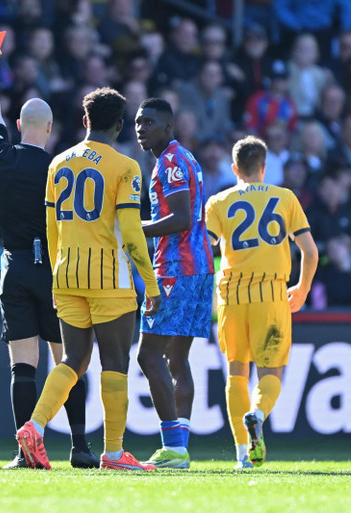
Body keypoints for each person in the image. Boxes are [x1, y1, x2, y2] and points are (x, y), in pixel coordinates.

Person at [15, 87, 161, 471]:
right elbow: (131, 234)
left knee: (72, 360)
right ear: (120, 125)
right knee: (114, 363)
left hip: (66, 273)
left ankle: (34, 425)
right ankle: (113, 453)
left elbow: (50, 229)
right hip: (109, 278)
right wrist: (152, 283)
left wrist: (56, 271)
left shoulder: (58, 163)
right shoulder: (126, 167)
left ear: (85, 121)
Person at [0, 48, 98, 469]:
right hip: (53, 270)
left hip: (12, 268)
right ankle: (80, 447)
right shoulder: (57, 169)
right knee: (67, 361)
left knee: (22, 367)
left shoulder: (1, 158)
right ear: (49, 129)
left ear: (18, 126)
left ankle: (23, 452)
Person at [205, 135, 318, 468]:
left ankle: (243, 455)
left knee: (236, 373)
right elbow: (309, 251)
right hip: (271, 294)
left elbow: (203, 249)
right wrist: (302, 288)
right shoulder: (284, 198)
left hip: (231, 294)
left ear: (234, 168)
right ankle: (257, 414)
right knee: (272, 372)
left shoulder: (218, 202)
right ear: (264, 167)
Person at [133, 98, 215, 469]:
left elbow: (181, 218)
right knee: (176, 358)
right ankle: (178, 449)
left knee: (148, 355)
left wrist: (133, 229)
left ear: (168, 127)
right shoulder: (185, 158)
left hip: (176, 268)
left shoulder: (170, 162)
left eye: (148, 122)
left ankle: (173, 446)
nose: (140, 128)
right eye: (137, 122)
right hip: (199, 267)